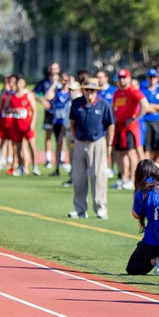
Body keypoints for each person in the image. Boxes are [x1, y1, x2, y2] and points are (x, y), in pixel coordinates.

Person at [68, 79, 114, 219]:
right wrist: (75, 139)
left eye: (92, 90)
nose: (89, 93)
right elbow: (72, 122)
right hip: (80, 142)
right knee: (78, 176)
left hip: (97, 141)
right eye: (87, 89)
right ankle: (80, 209)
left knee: (98, 175)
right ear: (83, 90)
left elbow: (110, 124)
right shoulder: (77, 103)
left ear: (97, 91)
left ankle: (100, 208)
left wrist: (109, 143)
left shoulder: (103, 104)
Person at [111, 69, 150, 189]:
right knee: (120, 153)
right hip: (119, 127)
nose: (122, 80)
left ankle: (133, 180)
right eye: (120, 78)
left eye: (124, 77)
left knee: (131, 153)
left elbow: (145, 105)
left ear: (129, 78)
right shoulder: (117, 93)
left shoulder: (133, 91)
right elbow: (113, 107)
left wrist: (134, 118)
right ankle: (124, 178)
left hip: (130, 128)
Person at [34, 62, 61, 167]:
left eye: (55, 68)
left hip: (60, 113)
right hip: (49, 113)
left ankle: (61, 158)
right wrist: (42, 101)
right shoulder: (44, 82)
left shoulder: (62, 81)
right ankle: (48, 159)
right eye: (51, 67)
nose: (53, 70)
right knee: (48, 135)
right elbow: (34, 92)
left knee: (60, 136)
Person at [139, 68, 159, 162]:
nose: (152, 79)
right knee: (147, 147)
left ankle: (152, 163)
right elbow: (143, 107)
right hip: (146, 121)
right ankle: (147, 170)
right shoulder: (142, 91)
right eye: (150, 77)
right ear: (147, 78)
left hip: (157, 120)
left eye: (154, 77)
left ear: (157, 78)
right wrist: (156, 107)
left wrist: (150, 106)